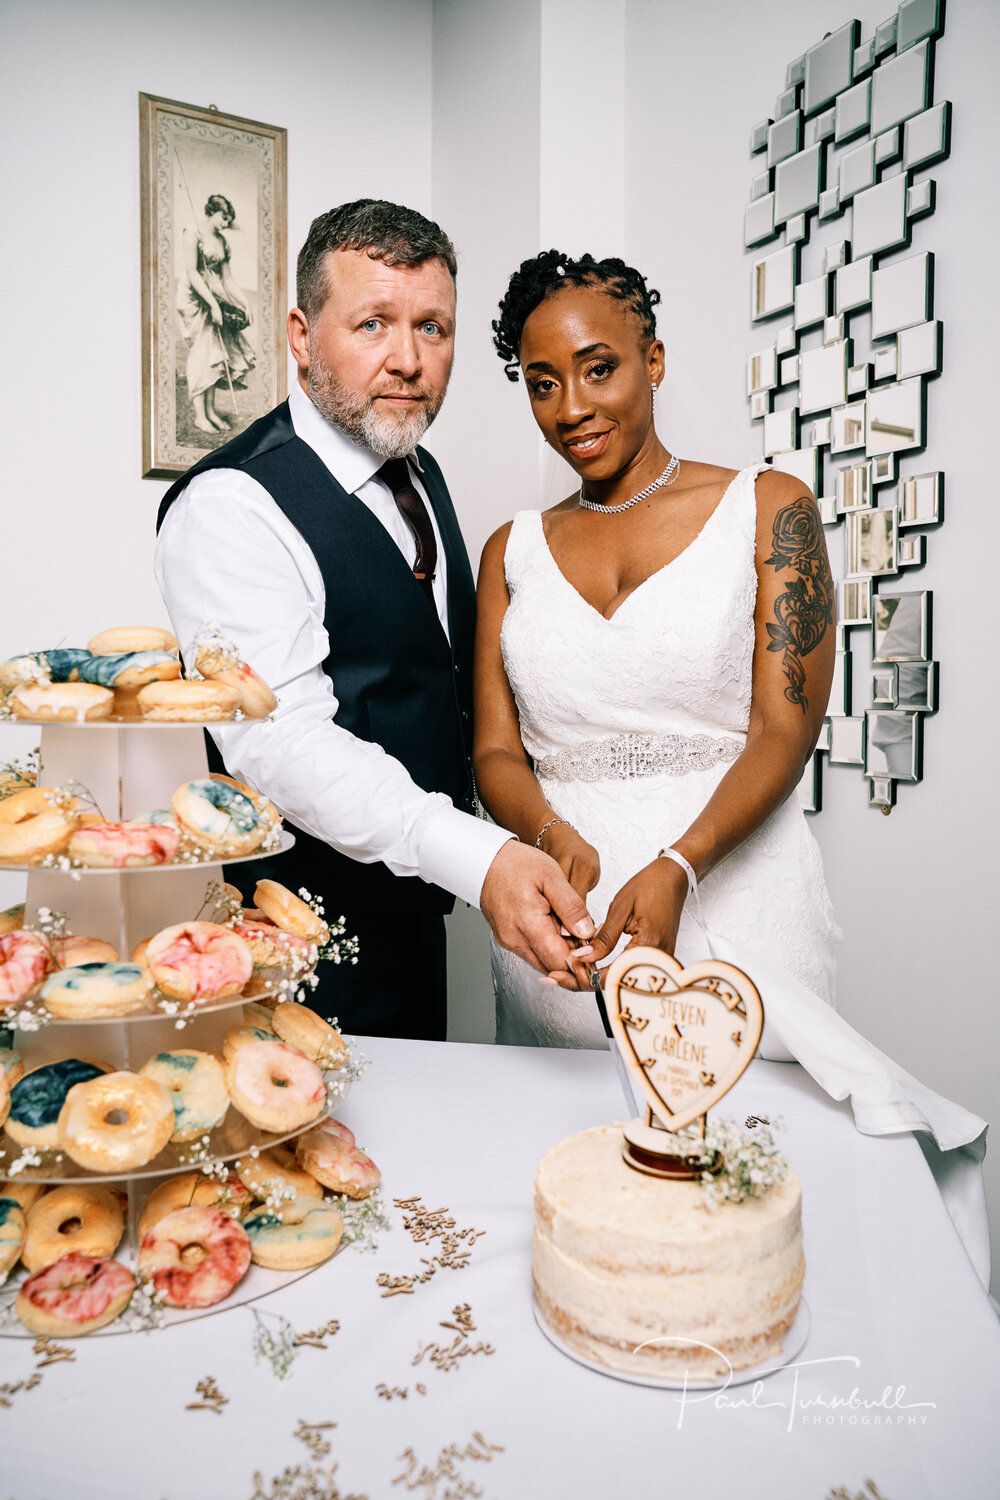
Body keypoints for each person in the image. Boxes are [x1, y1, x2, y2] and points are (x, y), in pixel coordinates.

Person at [155, 202, 593, 1041]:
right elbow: (278, 741)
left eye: (433, 327)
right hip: (298, 941)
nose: (408, 360)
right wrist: (478, 856)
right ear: (299, 333)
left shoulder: (419, 471)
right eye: (372, 324)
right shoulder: (229, 507)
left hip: (418, 921)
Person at [474, 250, 840, 1054]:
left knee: (749, 1159)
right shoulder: (511, 551)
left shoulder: (769, 509)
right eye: (542, 383)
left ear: (654, 361)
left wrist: (680, 862)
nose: (571, 407)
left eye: (598, 368)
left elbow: (785, 730)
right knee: (566, 1160)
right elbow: (496, 751)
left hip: (736, 903)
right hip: (569, 926)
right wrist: (546, 835)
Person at [177, 193, 255, 435]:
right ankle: (200, 415)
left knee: (216, 353)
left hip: (215, 296)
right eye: (223, 218)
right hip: (195, 296)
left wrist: (244, 304)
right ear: (212, 212)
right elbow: (192, 273)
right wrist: (212, 305)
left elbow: (227, 279)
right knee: (203, 353)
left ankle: (210, 412)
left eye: (229, 220)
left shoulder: (221, 241)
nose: (225, 223)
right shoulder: (193, 233)